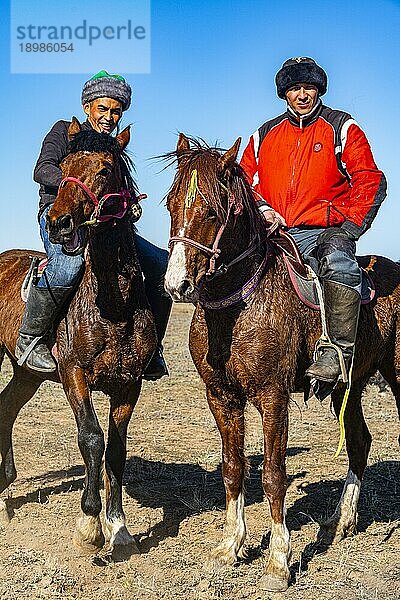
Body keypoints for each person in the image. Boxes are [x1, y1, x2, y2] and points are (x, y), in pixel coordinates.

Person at [16, 70, 171, 380]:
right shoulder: (64, 132)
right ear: (87, 106)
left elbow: (119, 188)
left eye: (116, 111)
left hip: (104, 226)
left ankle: (152, 351)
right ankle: (30, 339)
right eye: (103, 108)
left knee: (160, 265)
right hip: (60, 216)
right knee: (67, 268)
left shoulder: (113, 148)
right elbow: (42, 169)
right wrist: (75, 185)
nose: (109, 116)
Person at [240, 57, 387, 384]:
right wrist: (263, 208)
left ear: (318, 90)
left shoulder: (341, 127)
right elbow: (243, 181)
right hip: (273, 231)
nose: (302, 95)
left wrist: (348, 228)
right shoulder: (263, 134)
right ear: (284, 94)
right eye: (294, 88)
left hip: (325, 230)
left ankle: (336, 351)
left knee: (339, 264)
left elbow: (370, 179)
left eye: (308, 87)